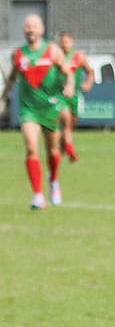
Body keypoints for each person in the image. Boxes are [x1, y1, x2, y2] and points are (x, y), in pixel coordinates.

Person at [1, 14, 74, 209]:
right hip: (28, 110)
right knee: (31, 148)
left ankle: (54, 180)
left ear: (41, 30)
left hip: (49, 108)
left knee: (52, 150)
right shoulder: (18, 54)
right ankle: (38, 195)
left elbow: (68, 73)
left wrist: (69, 86)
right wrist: (3, 96)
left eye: (34, 26)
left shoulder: (53, 51)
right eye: (27, 26)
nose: (30, 29)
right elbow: (11, 78)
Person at [55, 32, 95, 163]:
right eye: (62, 42)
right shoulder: (56, 57)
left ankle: (62, 149)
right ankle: (70, 151)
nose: (64, 44)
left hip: (74, 95)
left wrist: (88, 83)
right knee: (65, 120)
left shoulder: (78, 57)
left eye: (67, 42)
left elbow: (90, 72)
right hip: (59, 95)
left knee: (69, 126)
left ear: (71, 43)